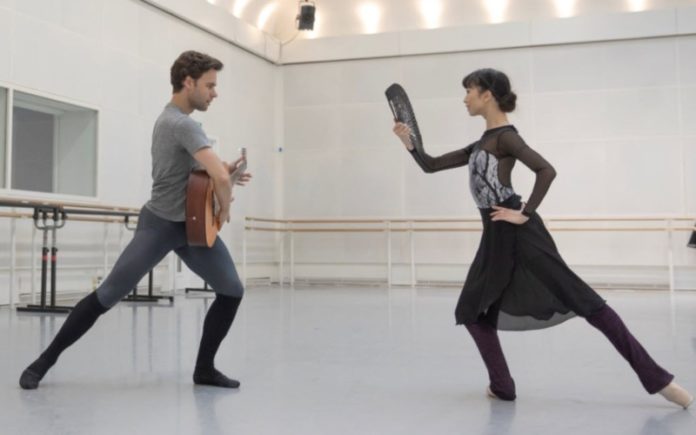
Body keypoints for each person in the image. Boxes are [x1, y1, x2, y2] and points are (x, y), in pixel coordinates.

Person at [392, 68, 693, 409]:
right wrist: (410, 145)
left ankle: (658, 379)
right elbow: (431, 165)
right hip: (495, 238)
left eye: (470, 91)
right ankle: (502, 386)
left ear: (487, 94)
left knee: (586, 302)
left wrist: (525, 213)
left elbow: (546, 170)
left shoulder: (506, 137)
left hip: (522, 234)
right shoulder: (480, 143)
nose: (465, 98)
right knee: (473, 311)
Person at [19, 50, 251, 390]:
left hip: (192, 225)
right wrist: (226, 203)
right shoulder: (179, 123)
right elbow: (215, 174)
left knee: (231, 290)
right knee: (108, 294)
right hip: (160, 225)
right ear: (189, 82)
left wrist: (226, 173)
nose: (214, 93)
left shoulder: (181, 122)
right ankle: (43, 362)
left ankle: (204, 369)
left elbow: (201, 173)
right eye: (210, 85)